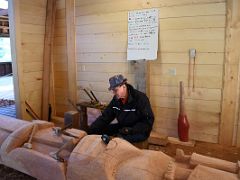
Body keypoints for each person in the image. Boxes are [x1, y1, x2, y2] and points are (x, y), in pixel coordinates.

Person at [87, 74, 154, 143]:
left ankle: (116, 141)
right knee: (101, 129)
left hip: (138, 130)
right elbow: (105, 117)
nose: (114, 93)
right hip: (123, 127)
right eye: (113, 90)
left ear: (124, 86)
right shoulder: (116, 100)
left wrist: (131, 130)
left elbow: (147, 121)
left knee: (119, 139)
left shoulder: (140, 98)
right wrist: (91, 130)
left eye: (116, 90)